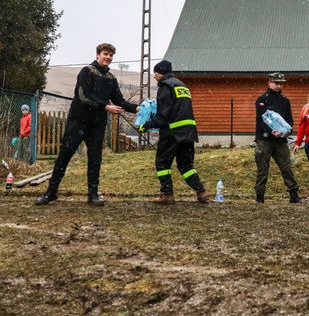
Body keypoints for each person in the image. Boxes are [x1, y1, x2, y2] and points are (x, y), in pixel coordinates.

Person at [35, 43, 138, 206]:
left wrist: (137, 108)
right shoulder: (87, 71)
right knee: (64, 155)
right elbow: (83, 96)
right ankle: (51, 192)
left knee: (95, 159)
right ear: (98, 54)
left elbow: (120, 101)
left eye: (111, 55)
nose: (108, 57)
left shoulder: (111, 79)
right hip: (78, 120)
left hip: (97, 125)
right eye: (105, 54)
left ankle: (93, 194)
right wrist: (105, 106)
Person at [144, 60, 209, 204]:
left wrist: (147, 125)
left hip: (172, 132)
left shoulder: (165, 86)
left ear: (160, 73)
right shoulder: (182, 86)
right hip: (188, 132)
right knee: (186, 165)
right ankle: (201, 191)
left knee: (162, 163)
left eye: (155, 73)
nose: (154, 77)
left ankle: (167, 194)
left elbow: (163, 115)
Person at [254, 72, 300, 203]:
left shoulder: (285, 101)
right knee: (262, 170)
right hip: (265, 141)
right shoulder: (262, 100)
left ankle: (294, 194)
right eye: (276, 83)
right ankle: (260, 196)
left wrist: (288, 131)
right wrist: (270, 132)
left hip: (281, 141)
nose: (279, 85)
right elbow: (261, 120)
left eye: (281, 83)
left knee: (287, 168)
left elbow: (289, 120)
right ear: (269, 82)